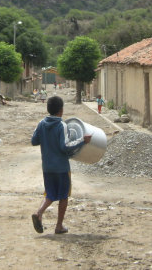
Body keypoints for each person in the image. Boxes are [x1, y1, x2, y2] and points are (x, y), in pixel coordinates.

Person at [31, 96, 91, 235]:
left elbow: (34, 141)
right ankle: (59, 226)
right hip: (62, 168)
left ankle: (39, 212)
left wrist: (45, 138)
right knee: (63, 196)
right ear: (61, 110)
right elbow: (65, 146)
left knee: (50, 194)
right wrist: (82, 140)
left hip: (47, 167)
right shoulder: (61, 125)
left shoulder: (41, 123)